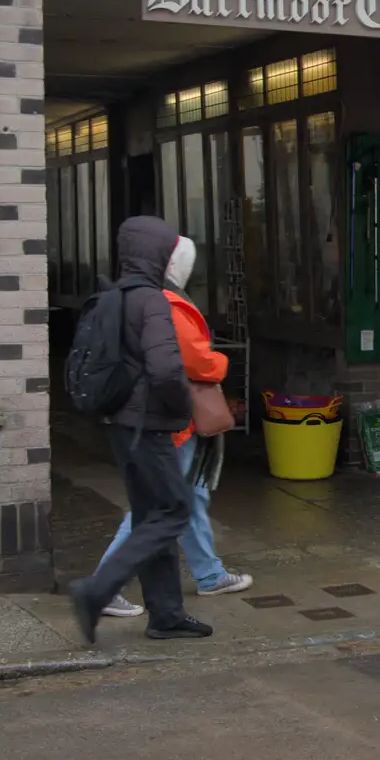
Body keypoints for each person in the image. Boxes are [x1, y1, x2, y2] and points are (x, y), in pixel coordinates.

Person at [69, 216, 213, 643]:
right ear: (157, 254)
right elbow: (168, 370)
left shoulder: (113, 296)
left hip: (120, 423)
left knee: (153, 515)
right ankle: (96, 591)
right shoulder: (151, 300)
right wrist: (183, 406)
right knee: (174, 512)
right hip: (147, 427)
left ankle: (166, 614)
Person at [98, 235, 253, 620]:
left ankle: (209, 573)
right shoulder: (168, 304)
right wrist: (219, 363)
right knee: (155, 505)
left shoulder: (140, 298)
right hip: (171, 421)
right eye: (186, 262)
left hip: (160, 416)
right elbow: (194, 361)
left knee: (189, 497)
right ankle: (106, 584)